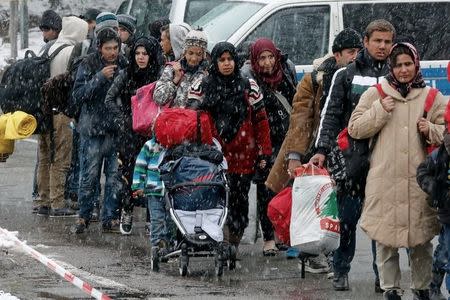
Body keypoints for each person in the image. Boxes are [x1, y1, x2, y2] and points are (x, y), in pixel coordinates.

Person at [348, 42, 447, 300]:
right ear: (391, 67)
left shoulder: (432, 98)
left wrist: (432, 130)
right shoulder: (376, 94)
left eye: (408, 64)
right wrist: (381, 110)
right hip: (384, 181)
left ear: (416, 64)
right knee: (385, 242)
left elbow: (447, 133)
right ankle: (390, 289)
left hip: (420, 184)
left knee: (421, 242)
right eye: (398, 65)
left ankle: (422, 288)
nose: (403, 70)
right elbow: (355, 128)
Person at [266, 28, 363, 268]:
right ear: (337, 54)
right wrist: (295, 155)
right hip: (318, 151)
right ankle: (316, 254)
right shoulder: (315, 79)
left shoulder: (361, 76)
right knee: (317, 206)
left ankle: (336, 259)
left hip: (350, 153)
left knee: (343, 210)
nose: (355, 57)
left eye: (359, 52)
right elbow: (301, 118)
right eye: (351, 52)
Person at [310, 19, 396, 292]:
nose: (382, 46)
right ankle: (341, 269)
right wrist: (321, 150)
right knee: (347, 221)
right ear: (366, 43)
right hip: (352, 161)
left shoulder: (398, 74)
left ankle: (382, 276)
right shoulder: (344, 75)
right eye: (377, 41)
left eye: (387, 42)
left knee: (381, 224)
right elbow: (330, 116)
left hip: (385, 161)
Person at [187, 41, 272, 251]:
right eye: (222, 60)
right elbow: (191, 118)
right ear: (214, 62)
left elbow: (261, 121)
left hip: (242, 155)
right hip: (212, 154)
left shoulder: (248, 86)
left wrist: (264, 152)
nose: (226, 64)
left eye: (230, 59)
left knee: (239, 201)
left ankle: (232, 242)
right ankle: (216, 239)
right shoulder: (202, 86)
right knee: (212, 197)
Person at [240, 38, 297, 256]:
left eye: (270, 57)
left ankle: (285, 234)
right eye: (262, 58)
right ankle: (269, 238)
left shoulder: (285, 74)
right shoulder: (250, 78)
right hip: (263, 140)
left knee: (287, 189)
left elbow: (296, 102)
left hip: (286, 138)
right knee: (266, 190)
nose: (267, 62)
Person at [105, 36, 164, 235]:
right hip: (130, 134)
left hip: (152, 132)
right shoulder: (126, 74)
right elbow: (110, 98)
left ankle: (151, 217)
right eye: (137, 53)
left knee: (152, 174)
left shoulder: (158, 75)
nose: (141, 58)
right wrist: (123, 119)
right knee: (129, 175)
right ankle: (127, 210)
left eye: (145, 54)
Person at [70, 28, 128, 234]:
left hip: (115, 130)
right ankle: (84, 215)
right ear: (99, 48)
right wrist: (99, 78)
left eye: (115, 48)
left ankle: (110, 217)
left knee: (114, 177)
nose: (112, 52)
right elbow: (78, 95)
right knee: (89, 175)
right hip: (92, 130)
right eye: (108, 48)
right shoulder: (88, 64)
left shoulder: (124, 64)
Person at [35, 16, 88, 218]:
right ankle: (57, 202)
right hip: (62, 113)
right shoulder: (70, 52)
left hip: (43, 111)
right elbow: (72, 85)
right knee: (61, 159)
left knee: (45, 157)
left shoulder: (48, 48)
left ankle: (43, 200)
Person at [417, 102, 450, 300]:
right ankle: (435, 285)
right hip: (448, 212)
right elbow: (422, 172)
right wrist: (436, 190)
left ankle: (435, 283)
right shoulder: (440, 156)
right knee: (446, 251)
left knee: (445, 250)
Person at [154, 28, 208, 108]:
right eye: (190, 53)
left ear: (203, 55)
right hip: (171, 118)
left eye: (198, 54)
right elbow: (158, 98)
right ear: (184, 52)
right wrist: (175, 81)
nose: (194, 58)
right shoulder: (172, 69)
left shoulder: (207, 74)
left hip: (194, 119)